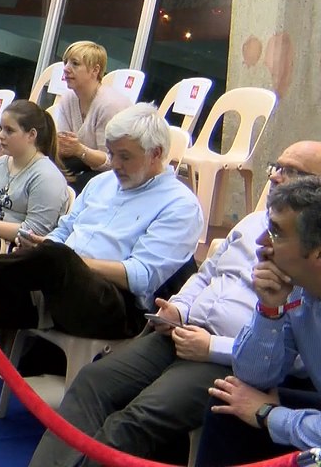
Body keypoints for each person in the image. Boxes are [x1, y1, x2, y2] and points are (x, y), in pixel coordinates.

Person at [0, 104, 205, 448]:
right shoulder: (101, 184)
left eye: (124, 157)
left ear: (156, 154)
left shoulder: (180, 204)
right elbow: (62, 231)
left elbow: (141, 277)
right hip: (56, 280)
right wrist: (45, 248)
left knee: (53, 258)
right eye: (112, 154)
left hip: (114, 305)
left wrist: (67, 258)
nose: (114, 164)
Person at [30, 141, 321, 466]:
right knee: (91, 382)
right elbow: (206, 272)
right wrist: (179, 308)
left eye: (293, 172)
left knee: (134, 420)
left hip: (221, 357)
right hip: (182, 331)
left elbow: (283, 367)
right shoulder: (254, 226)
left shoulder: (302, 268)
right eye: (276, 167)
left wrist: (212, 347)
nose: (278, 178)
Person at [194, 176, 321, 465]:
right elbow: (252, 376)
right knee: (229, 403)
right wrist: (269, 309)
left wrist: (269, 415)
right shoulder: (296, 287)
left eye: (276, 233)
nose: (262, 242)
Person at [0, 99, 70, 246]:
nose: (1, 135)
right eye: (1, 128)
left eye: (9, 130)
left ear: (31, 135)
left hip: (18, 253)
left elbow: (35, 232)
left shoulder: (46, 177)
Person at [51, 41, 132, 192]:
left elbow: (112, 162)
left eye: (75, 64)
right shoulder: (68, 98)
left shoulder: (110, 104)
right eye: (65, 62)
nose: (66, 69)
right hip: (86, 162)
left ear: (95, 70)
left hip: (121, 170)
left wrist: (78, 149)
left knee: (69, 188)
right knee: (47, 172)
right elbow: (63, 150)